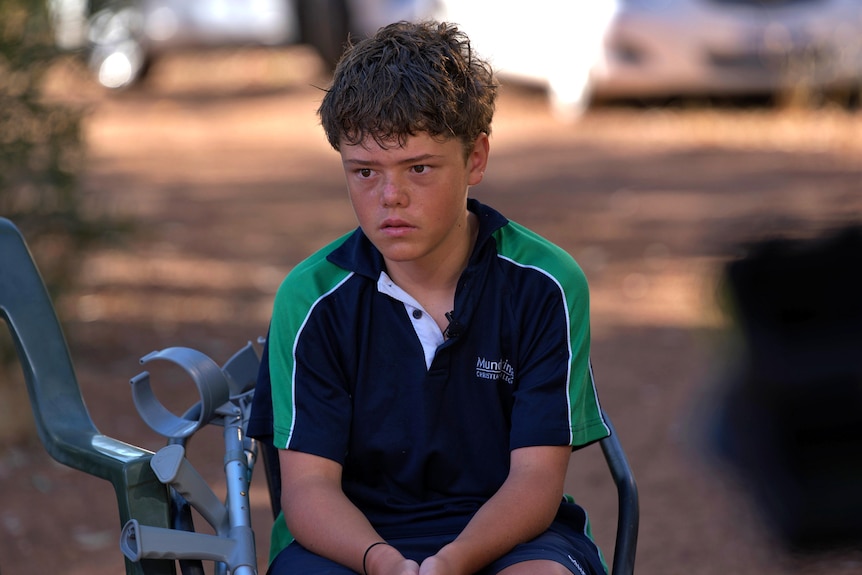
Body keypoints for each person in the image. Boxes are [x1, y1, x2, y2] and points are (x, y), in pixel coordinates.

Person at [257, 20, 610, 575]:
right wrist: (385, 564)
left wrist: (450, 563)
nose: (390, 197)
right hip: (354, 541)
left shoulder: (544, 284)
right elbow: (307, 490)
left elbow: (535, 481)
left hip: (511, 536)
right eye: (364, 172)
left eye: (418, 168)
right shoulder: (311, 300)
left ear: (476, 158)